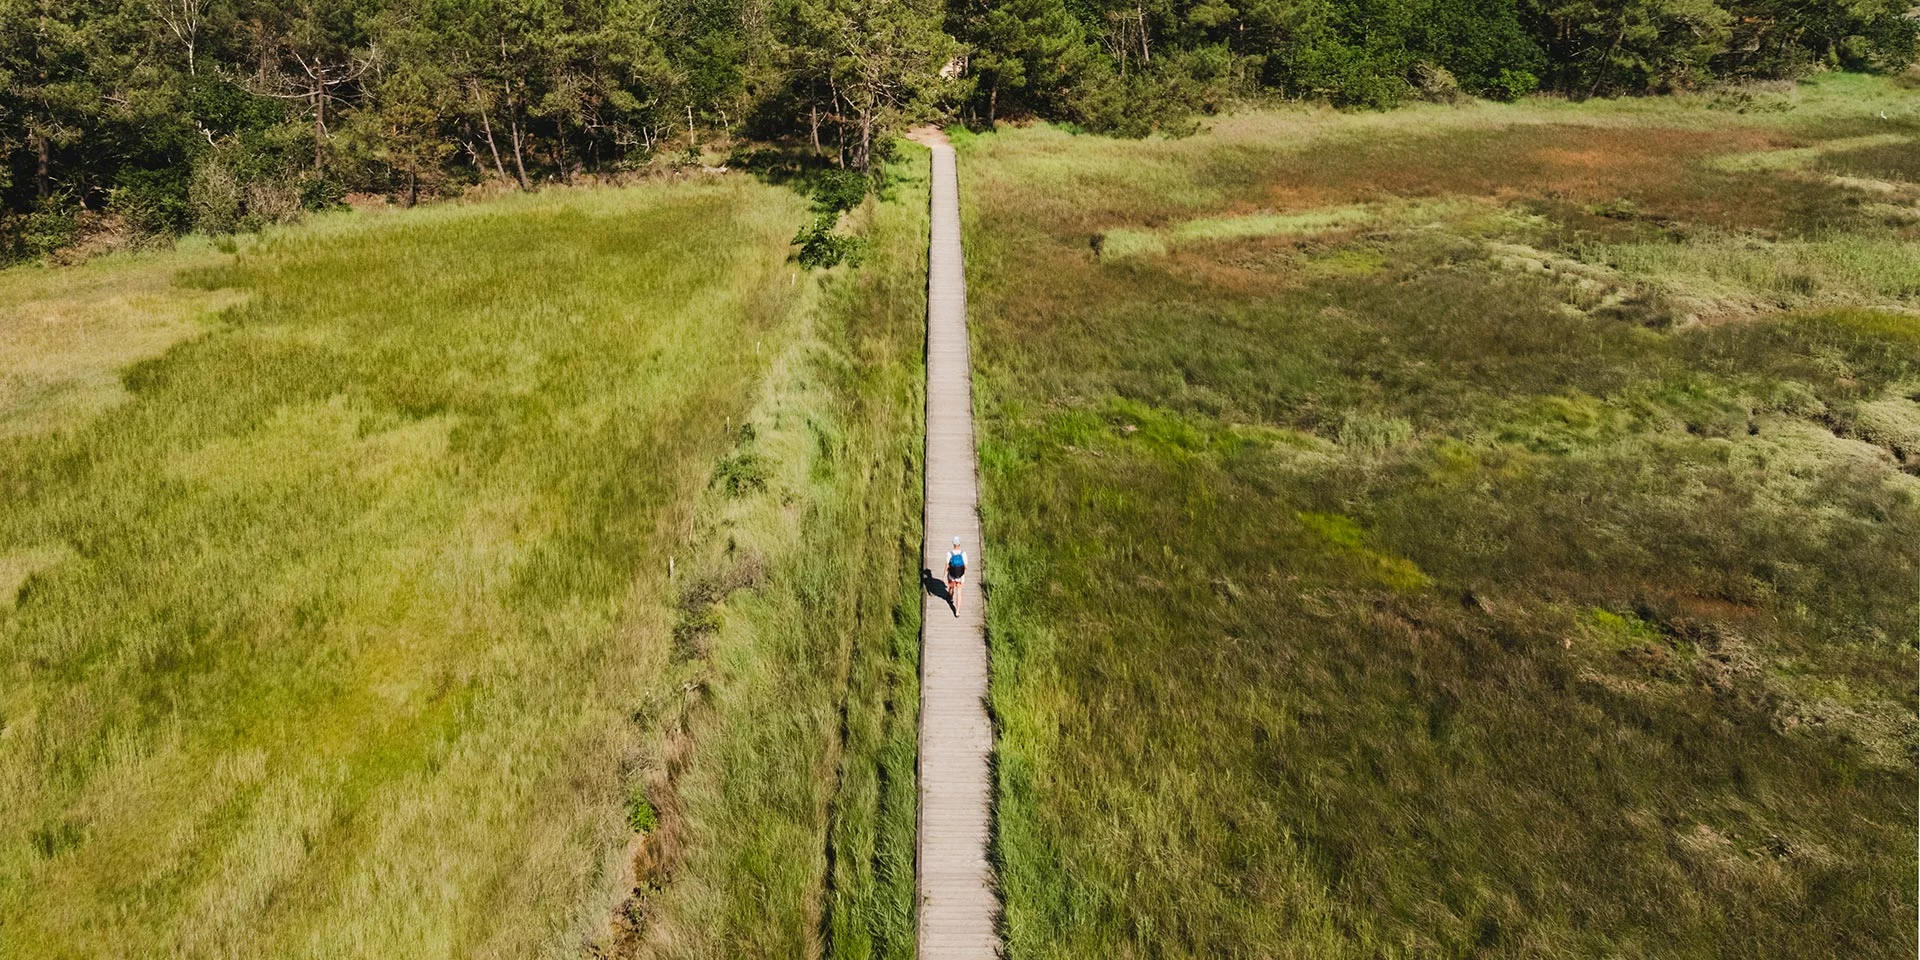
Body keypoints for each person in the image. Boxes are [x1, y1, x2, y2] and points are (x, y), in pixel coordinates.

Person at [946, 536, 968, 616]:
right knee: (959, 593)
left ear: (953, 544)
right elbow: (965, 566)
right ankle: (957, 611)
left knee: (951, 587)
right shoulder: (963, 554)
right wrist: (964, 573)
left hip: (952, 575)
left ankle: (950, 597)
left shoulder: (949, 553)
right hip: (960, 576)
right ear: (959, 544)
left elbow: (947, 565)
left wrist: (944, 574)